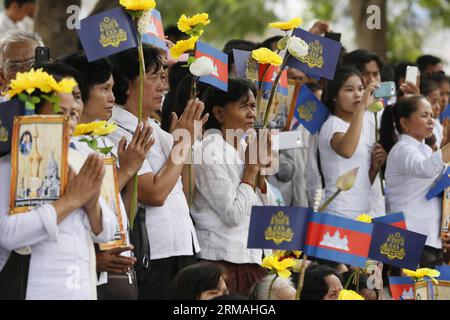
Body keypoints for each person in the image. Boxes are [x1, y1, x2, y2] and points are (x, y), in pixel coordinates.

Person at [0, 68, 116, 299]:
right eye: (60, 112)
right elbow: (9, 234)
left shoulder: (81, 158)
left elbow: (108, 232)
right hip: (34, 288)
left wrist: (92, 203)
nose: (69, 121)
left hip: (80, 288)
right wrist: (71, 201)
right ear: (34, 112)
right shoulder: (9, 164)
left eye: (73, 113)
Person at [108, 44, 206, 300]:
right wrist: (182, 145)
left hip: (182, 246)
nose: (163, 86)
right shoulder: (115, 130)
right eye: (153, 77)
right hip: (153, 253)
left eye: (164, 77)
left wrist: (187, 146)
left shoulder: (156, 129)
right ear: (127, 85)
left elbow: (186, 193)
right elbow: (155, 193)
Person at [53, 55, 155, 299]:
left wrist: (132, 170)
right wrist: (128, 169)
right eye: (104, 89)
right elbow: (87, 202)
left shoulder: (101, 140)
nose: (112, 97)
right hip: (88, 267)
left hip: (119, 261)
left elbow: (120, 212)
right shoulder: (69, 145)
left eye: (112, 88)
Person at [191, 78, 276, 297]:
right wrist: (250, 171)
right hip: (223, 262)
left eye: (253, 106)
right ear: (219, 113)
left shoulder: (247, 147)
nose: (251, 113)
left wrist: (259, 175)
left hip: (252, 258)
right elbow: (232, 215)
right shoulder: (208, 151)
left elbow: (268, 214)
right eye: (243, 106)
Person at [380, 95, 450, 268]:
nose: (431, 121)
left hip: (430, 236)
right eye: (424, 115)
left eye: (432, 116)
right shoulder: (402, 149)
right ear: (405, 123)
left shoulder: (425, 149)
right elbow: (424, 169)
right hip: (408, 235)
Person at [318, 66, 385, 218]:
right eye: (349, 90)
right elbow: (347, 151)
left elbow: (361, 178)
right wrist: (362, 107)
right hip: (339, 212)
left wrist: (375, 167)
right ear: (335, 95)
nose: (357, 95)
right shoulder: (333, 124)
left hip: (363, 212)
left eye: (361, 89)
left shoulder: (356, 125)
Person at [0, 30, 43, 94]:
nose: (25, 71)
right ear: (2, 75)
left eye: (33, 63)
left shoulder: (61, 96)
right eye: (14, 66)